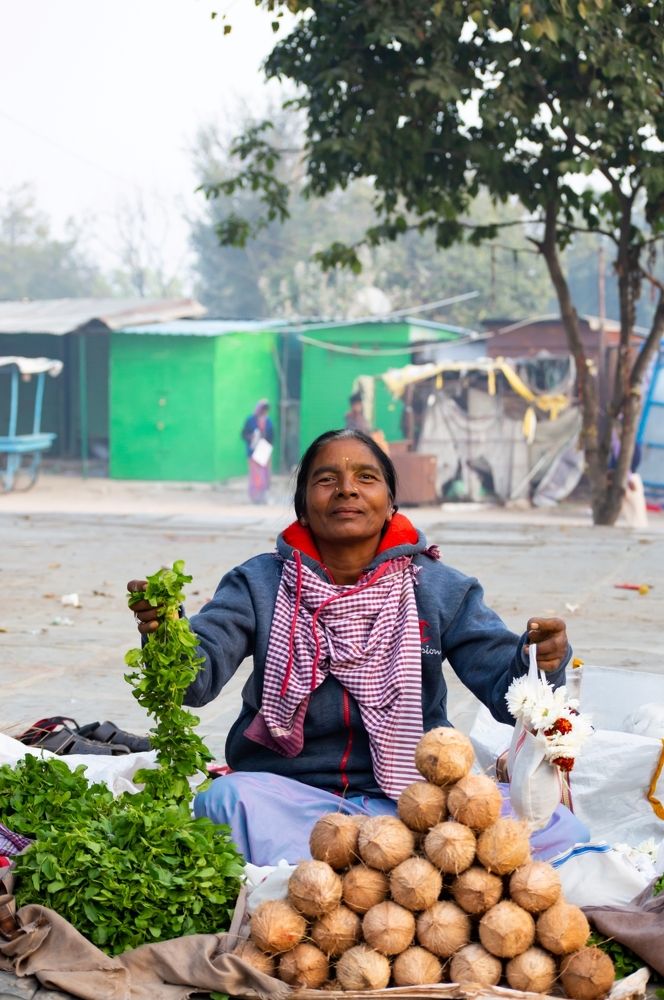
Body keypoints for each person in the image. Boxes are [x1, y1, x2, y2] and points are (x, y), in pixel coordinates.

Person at [128, 428, 586, 865]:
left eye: (365, 478)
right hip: (293, 800)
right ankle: (397, 871)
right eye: (326, 480)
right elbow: (195, 683)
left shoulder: (439, 588)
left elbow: (506, 694)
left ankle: (367, 868)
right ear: (303, 508)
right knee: (225, 802)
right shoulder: (259, 583)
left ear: (390, 504)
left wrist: (540, 661)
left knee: (560, 829)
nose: (347, 489)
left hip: (417, 805)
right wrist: (165, 633)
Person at [241, 399, 274, 504]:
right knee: (256, 476)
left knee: (265, 475)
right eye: (262, 408)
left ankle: (263, 496)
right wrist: (251, 437)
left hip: (264, 452)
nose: (264, 410)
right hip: (253, 452)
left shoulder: (268, 421)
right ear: (258, 408)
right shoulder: (250, 420)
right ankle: (255, 498)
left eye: (266, 409)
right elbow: (243, 434)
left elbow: (272, 437)